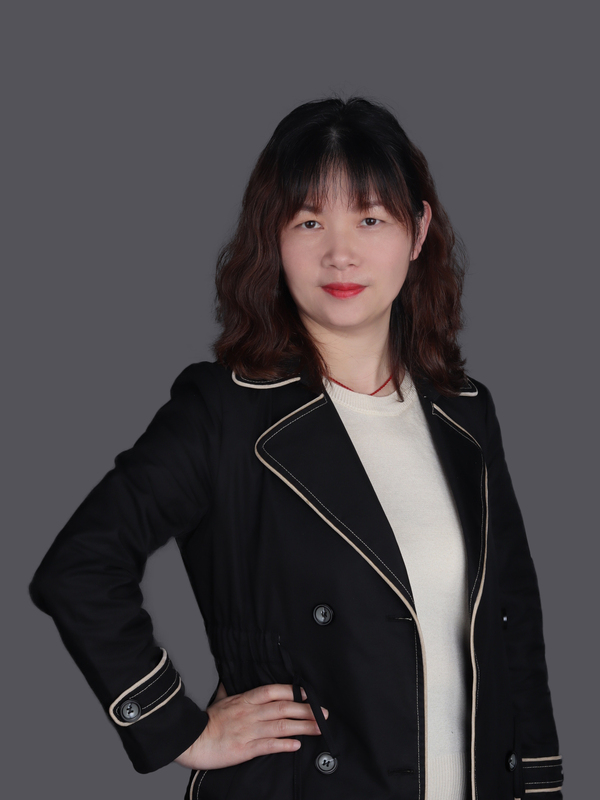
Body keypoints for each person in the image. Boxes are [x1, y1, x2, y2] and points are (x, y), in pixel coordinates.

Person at [29, 96, 563, 800]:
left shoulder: (465, 412)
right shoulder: (223, 411)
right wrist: (177, 727)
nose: (340, 253)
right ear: (272, 238)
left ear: (418, 231)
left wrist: (541, 785)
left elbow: (512, 621)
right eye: (309, 222)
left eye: (370, 219)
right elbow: (80, 566)